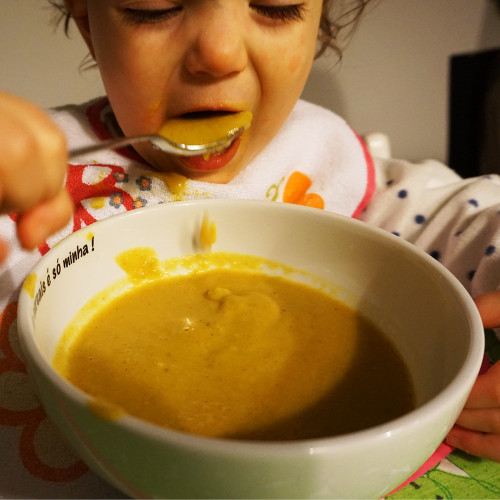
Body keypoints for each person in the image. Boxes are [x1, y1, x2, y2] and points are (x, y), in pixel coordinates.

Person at [0, 0, 499, 491]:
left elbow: (469, 215)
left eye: (275, 5)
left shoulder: (323, 160)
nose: (218, 54)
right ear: (88, 20)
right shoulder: (22, 177)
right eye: (155, 7)